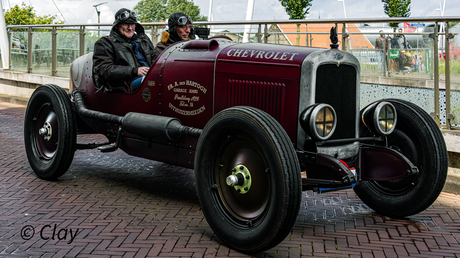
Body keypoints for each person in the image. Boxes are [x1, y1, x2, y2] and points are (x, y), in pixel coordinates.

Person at [93, 8, 159, 92]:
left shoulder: (143, 40)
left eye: (132, 24)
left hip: (149, 79)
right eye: (126, 24)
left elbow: (157, 59)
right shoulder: (105, 43)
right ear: (116, 26)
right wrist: (134, 71)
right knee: (155, 81)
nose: (130, 28)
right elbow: (104, 70)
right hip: (125, 86)